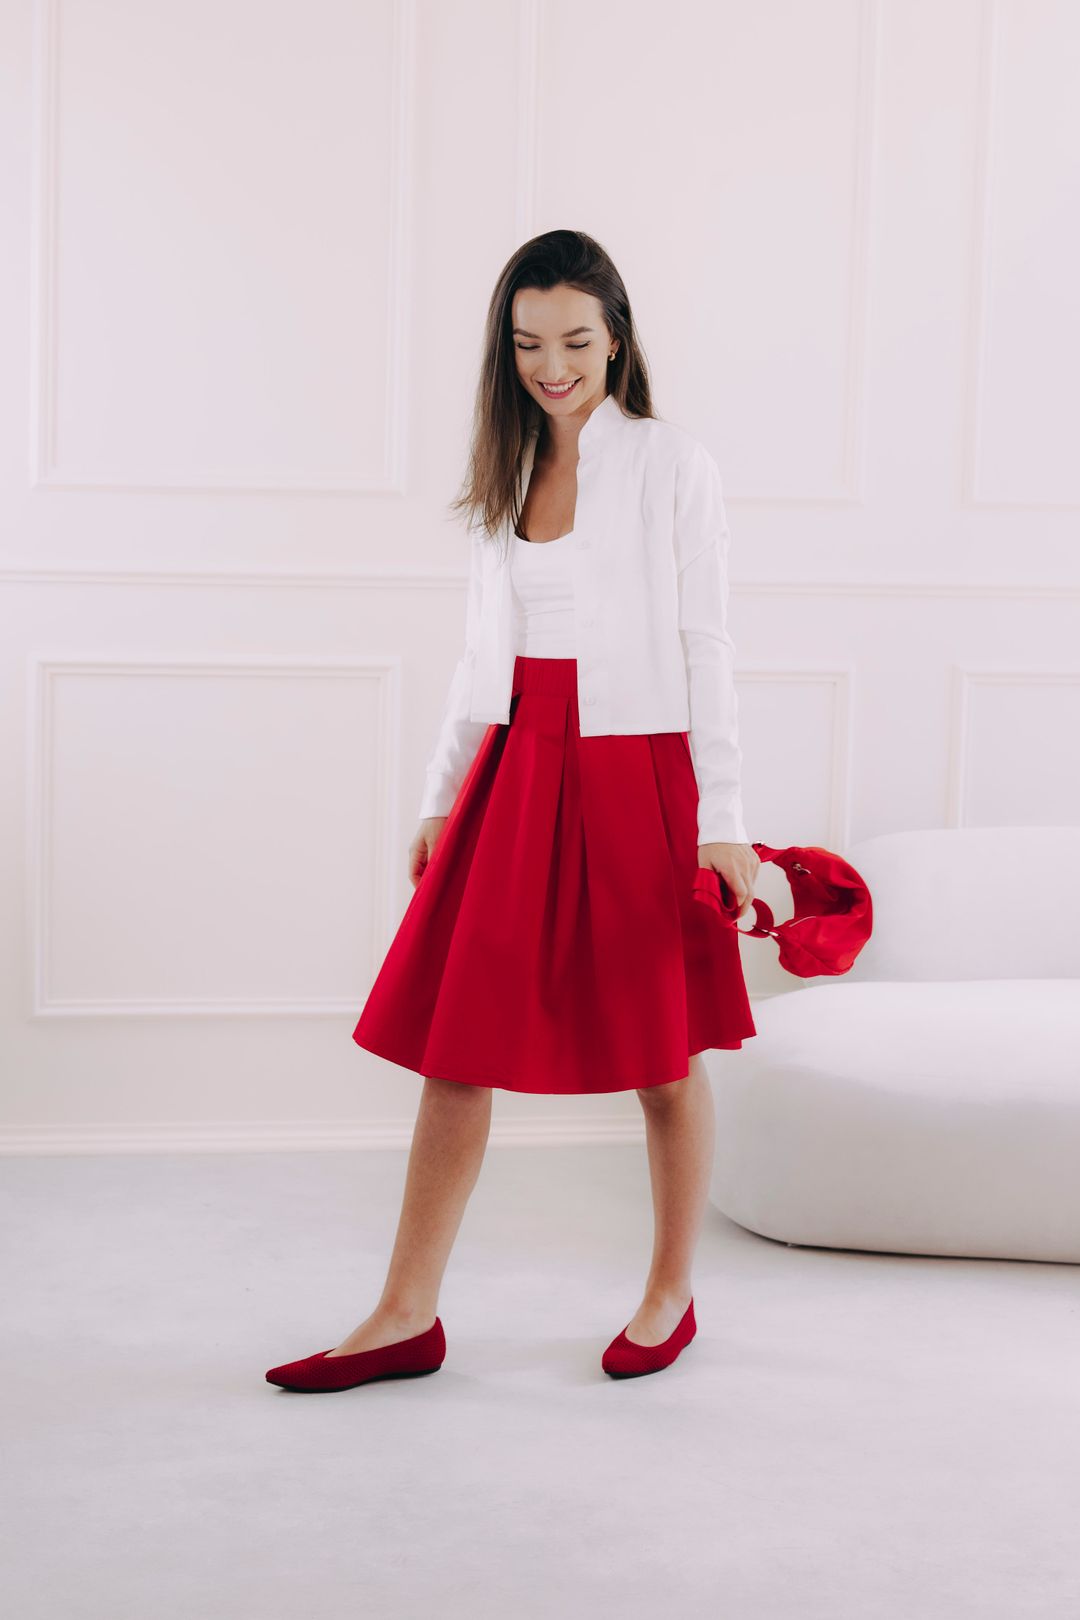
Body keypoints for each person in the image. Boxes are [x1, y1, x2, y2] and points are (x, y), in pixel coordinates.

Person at [266, 229, 760, 1393]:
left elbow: (709, 644)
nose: (553, 367)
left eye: (576, 342)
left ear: (617, 340)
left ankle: (670, 1293)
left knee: (662, 1057)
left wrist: (724, 816)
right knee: (458, 1044)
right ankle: (404, 1314)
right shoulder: (506, 466)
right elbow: (478, 653)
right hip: (517, 761)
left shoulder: (673, 464)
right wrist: (442, 796)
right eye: (530, 344)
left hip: (639, 766)